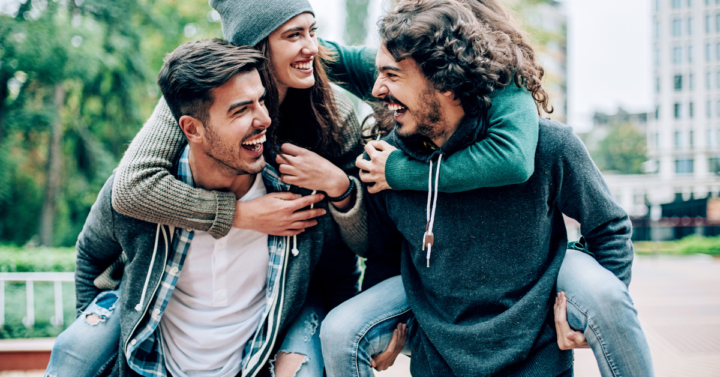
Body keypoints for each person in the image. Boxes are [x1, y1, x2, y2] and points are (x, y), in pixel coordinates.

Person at [319, 1, 654, 376]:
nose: (377, 88)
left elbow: (609, 229)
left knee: (606, 293)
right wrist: (387, 332)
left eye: (392, 75)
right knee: (340, 329)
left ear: (446, 82)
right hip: (439, 360)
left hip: (536, 358)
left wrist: (586, 321)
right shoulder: (388, 160)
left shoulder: (547, 145)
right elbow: (384, 251)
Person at [45, 40, 359, 377]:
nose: (265, 119)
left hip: (254, 368)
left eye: (262, 101)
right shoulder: (142, 197)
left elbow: (338, 278)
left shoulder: (298, 195)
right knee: (73, 352)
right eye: (241, 110)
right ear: (192, 129)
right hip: (151, 367)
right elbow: (91, 254)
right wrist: (97, 329)